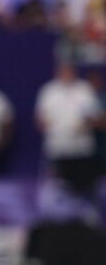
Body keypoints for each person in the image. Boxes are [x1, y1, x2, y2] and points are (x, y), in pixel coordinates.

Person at [35, 62, 102, 197]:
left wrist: (86, 125)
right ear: (58, 73)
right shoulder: (49, 91)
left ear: (74, 72)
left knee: (83, 185)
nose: (67, 75)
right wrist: (48, 126)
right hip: (58, 147)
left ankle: (84, 213)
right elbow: (40, 118)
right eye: (63, 72)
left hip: (81, 147)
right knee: (59, 187)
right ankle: (59, 214)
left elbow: (96, 117)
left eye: (69, 71)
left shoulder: (84, 89)